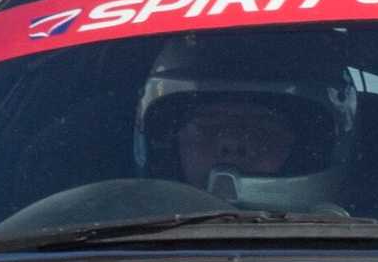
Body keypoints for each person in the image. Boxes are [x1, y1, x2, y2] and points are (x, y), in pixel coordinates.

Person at [134, 32, 361, 207]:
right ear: (170, 143)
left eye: (261, 124)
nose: (231, 142)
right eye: (208, 123)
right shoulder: (117, 230)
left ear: (311, 146)